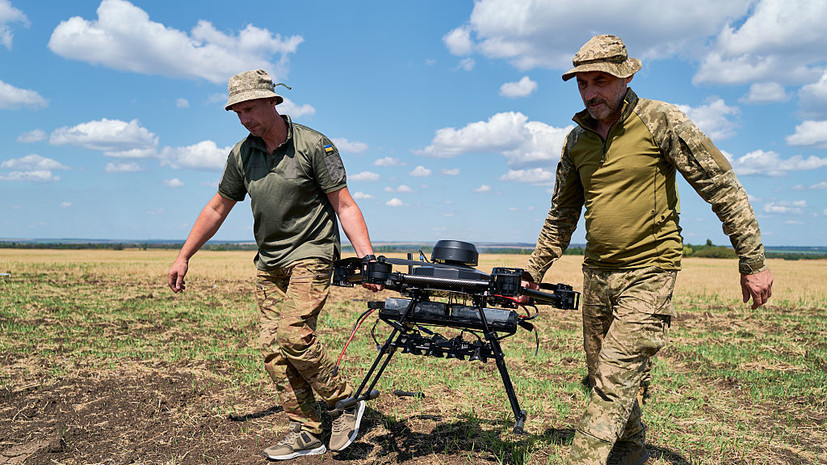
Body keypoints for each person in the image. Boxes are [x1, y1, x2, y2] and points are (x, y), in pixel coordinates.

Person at [522, 35, 773, 465]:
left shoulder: (661, 120)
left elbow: (722, 187)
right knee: (606, 376)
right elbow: (561, 216)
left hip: (650, 272)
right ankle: (631, 455)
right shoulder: (576, 141)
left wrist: (752, 261)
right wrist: (532, 274)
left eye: (600, 80)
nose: (590, 92)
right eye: (582, 83)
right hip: (597, 274)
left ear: (627, 75)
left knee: (613, 381)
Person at [167, 69, 381, 461]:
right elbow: (217, 207)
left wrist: (367, 258)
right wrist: (184, 255)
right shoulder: (241, 155)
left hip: (312, 253)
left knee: (293, 335)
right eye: (237, 112)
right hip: (269, 263)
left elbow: (344, 204)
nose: (245, 119)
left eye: (249, 108)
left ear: (273, 102)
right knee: (272, 347)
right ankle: (309, 431)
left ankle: (345, 402)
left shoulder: (315, 146)